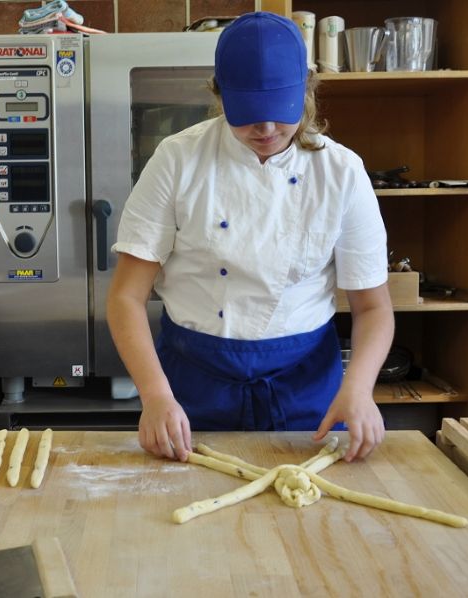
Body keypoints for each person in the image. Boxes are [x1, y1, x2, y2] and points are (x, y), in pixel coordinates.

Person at [107, 12, 394, 465]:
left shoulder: (340, 172)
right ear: (219, 95)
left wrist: (358, 389)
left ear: (306, 90)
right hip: (193, 387)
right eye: (248, 117)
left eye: (279, 113)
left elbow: (374, 306)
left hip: (307, 387)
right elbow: (126, 296)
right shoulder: (178, 160)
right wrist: (155, 395)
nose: (265, 130)